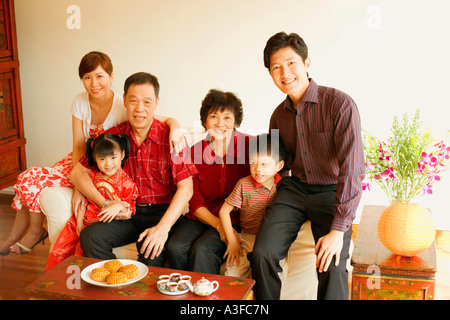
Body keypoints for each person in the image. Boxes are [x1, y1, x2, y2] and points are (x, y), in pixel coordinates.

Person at [0, 51, 182, 256]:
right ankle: (29, 233)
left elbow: (151, 117)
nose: (94, 83)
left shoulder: (129, 111)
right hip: (88, 164)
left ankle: (32, 233)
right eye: (87, 77)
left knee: (30, 180)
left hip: (119, 177)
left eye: (100, 76)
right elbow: (78, 146)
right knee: (29, 181)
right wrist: (82, 185)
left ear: (111, 77)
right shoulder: (86, 105)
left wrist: (175, 126)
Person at [248, 32, 365, 300]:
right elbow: (280, 163)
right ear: (270, 74)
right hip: (295, 189)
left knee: (331, 263)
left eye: (291, 63)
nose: (285, 73)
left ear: (307, 63)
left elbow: (352, 170)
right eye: (276, 67)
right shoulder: (278, 115)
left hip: (331, 189)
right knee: (262, 254)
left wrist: (338, 230)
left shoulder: (340, 104)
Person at [69, 72, 197, 266]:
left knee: (151, 254)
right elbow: (77, 173)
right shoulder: (113, 137)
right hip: (127, 212)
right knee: (90, 236)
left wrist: (162, 228)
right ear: (125, 102)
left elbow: (187, 188)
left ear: (156, 103)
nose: (139, 109)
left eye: (146, 102)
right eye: (133, 101)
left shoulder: (171, 137)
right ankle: (116, 285)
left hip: (160, 213)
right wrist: (105, 203)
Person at [165, 89, 252, 274]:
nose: (220, 123)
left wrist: (225, 225)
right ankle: (182, 294)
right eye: (214, 116)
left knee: (203, 250)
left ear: (236, 121)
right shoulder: (194, 152)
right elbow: (194, 200)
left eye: (227, 117)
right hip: (201, 216)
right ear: (205, 120)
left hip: (232, 219)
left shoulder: (252, 147)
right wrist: (218, 225)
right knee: (175, 247)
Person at [46, 133, 138, 270]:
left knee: (85, 246)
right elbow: (83, 203)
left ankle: (110, 274)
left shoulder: (127, 184)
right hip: (85, 221)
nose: (108, 164)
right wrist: (79, 223)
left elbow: (129, 211)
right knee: (61, 251)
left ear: (122, 155)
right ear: (95, 158)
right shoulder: (90, 179)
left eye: (113, 157)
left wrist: (119, 205)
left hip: (109, 225)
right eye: (102, 159)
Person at [219, 133, 285, 278]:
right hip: (248, 238)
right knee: (232, 275)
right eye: (253, 162)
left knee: (277, 276)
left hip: (272, 241)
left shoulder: (284, 187)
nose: (258, 169)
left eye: (264, 164)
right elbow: (224, 212)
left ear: (279, 165)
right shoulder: (244, 184)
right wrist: (232, 241)